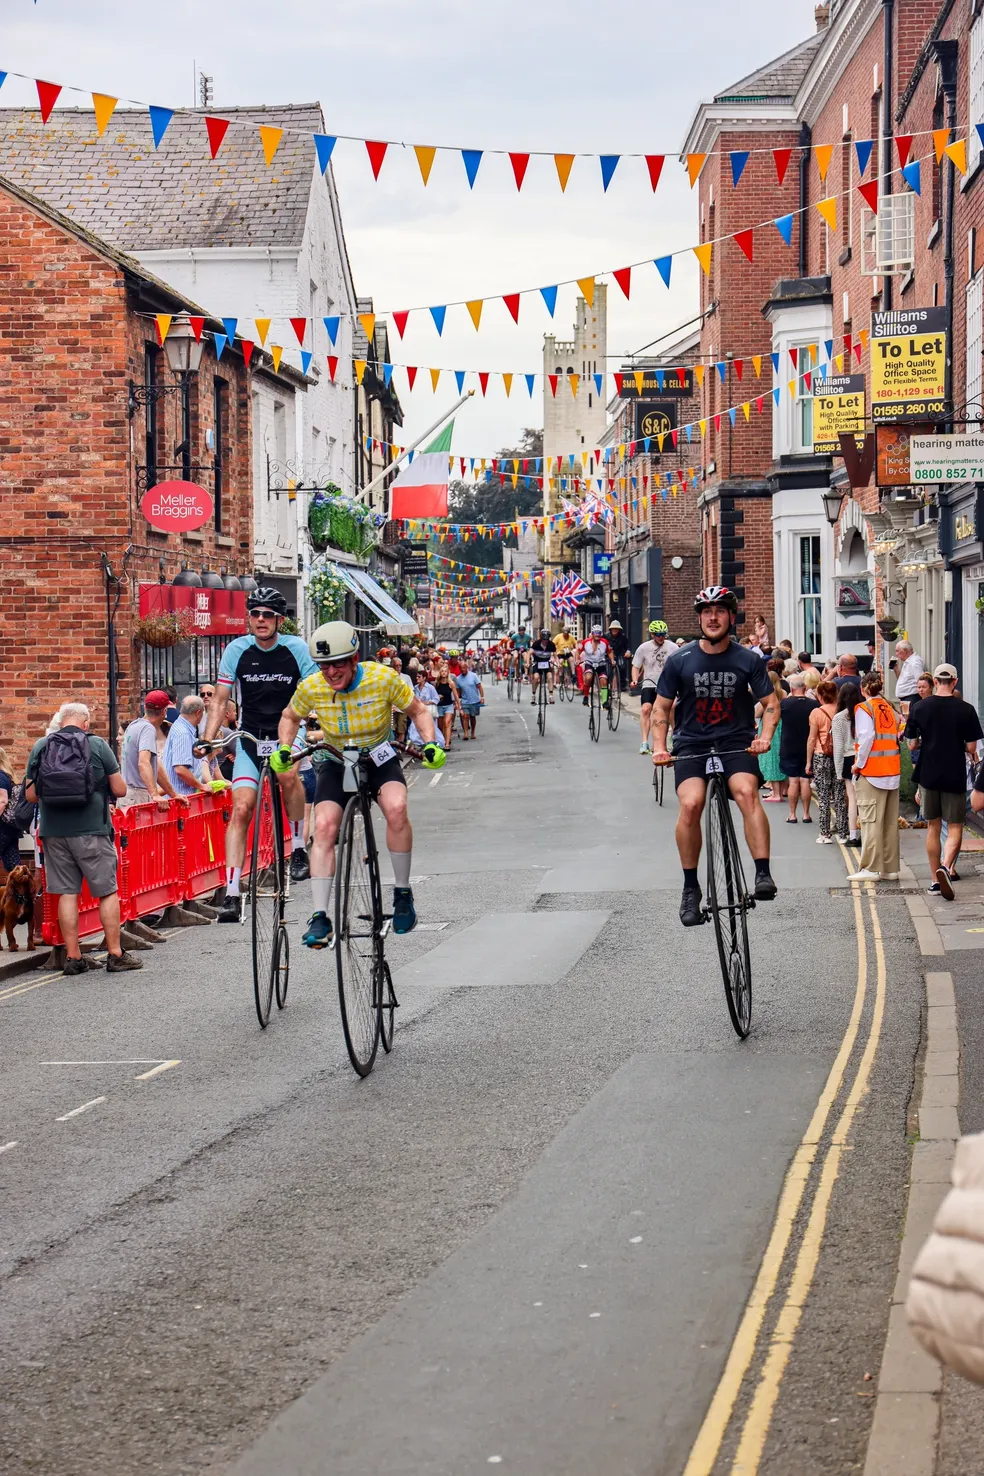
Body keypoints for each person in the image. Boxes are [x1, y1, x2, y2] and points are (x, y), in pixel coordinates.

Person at [272, 620, 443, 946]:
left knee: (396, 807)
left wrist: (430, 742)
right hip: (337, 760)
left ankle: (403, 894)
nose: (331, 672)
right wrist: (284, 748)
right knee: (322, 826)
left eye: (337, 664)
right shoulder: (312, 687)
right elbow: (289, 717)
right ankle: (320, 916)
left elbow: (419, 711)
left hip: (379, 756)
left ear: (353, 660)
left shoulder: (382, 678)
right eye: (324, 666)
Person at [652, 586, 779, 927]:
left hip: (735, 742)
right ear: (699, 618)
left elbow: (771, 705)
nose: (712, 617)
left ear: (730, 616)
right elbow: (661, 709)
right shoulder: (680, 660)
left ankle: (762, 873)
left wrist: (765, 737)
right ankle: (691, 887)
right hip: (692, 744)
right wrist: (660, 746)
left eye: (719, 610)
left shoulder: (748, 659)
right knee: (692, 804)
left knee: (747, 792)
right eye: (706, 611)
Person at [199, 587, 318, 923]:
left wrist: (313, 719)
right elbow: (221, 700)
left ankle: (296, 847)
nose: (261, 620)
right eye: (255, 614)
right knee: (240, 808)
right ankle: (233, 893)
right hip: (251, 737)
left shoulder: (296, 649)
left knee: (286, 774)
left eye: (268, 615)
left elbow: (312, 691)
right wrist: (209, 739)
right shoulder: (236, 650)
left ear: (279, 620)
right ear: (249, 618)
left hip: (286, 733)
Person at [24, 701, 142, 974]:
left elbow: (31, 795)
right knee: (106, 891)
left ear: (61, 721)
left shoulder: (42, 746)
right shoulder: (97, 745)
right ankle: (115, 953)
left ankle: (73, 958)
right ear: (85, 723)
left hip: (53, 832)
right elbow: (120, 789)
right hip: (92, 831)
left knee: (66, 893)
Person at [905, 663, 983, 899]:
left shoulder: (919, 707)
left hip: (928, 774)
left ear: (935, 681)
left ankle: (934, 880)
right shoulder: (966, 709)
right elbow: (971, 747)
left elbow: (911, 743)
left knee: (933, 827)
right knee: (956, 826)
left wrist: (923, 741)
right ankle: (946, 867)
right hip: (954, 773)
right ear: (955, 681)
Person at [851, 671, 902, 882]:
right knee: (889, 823)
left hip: (872, 772)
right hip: (891, 771)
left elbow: (867, 738)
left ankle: (870, 868)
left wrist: (857, 765)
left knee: (870, 820)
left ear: (863, 690)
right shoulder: (890, 709)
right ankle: (889, 868)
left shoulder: (864, 708)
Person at [119, 690, 184, 809]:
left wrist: (172, 794)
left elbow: (155, 766)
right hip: (137, 796)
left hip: (128, 795)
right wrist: (155, 794)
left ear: (145, 707)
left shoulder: (134, 725)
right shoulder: (148, 729)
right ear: (164, 711)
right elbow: (143, 763)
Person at [806, 678, 846, 842]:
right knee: (840, 796)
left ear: (821, 695)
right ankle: (843, 833)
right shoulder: (842, 711)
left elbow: (811, 739)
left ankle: (825, 833)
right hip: (840, 755)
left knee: (823, 796)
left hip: (821, 755)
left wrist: (808, 762)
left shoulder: (817, 713)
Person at [631, 620, 675, 754]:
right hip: (649, 683)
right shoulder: (643, 648)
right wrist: (634, 680)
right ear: (652, 635)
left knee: (673, 708)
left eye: (663, 634)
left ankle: (674, 737)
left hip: (667, 684)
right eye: (658, 634)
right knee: (646, 709)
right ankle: (644, 743)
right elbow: (636, 666)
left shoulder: (673, 647)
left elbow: (680, 664)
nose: (661, 637)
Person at [779, 674, 815, 823]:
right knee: (805, 781)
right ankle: (806, 814)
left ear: (792, 689)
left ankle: (792, 814)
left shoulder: (784, 704)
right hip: (808, 746)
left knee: (793, 781)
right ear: (805, 688)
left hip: (789, 745)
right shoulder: (814, 704)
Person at [163, 696, 213, 798]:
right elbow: (180, 769)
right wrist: (201, 786)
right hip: (179, 801)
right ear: (198, 713)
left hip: (178, 798)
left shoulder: (180, 727)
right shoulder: (183, 733)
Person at [832, 682, 863, 847]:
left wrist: (838, 771)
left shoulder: (838, 718)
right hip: (863, 757)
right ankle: (866, 834)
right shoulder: (863, 713)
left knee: (852, 799)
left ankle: (852, 835)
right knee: (864, 798)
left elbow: (838, 747)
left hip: (847, 758)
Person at [756, 661, 786, 801]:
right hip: (781, 724)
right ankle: (782, 790)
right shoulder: (783, 693)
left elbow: (757, 713)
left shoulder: (768, 697)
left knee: (770, 757)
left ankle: (776, 793)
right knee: (779, 755)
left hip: (769, 724)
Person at [0, 747, 23, 875]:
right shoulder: (7, 776)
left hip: (2, 826)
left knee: (13, 865)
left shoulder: (0, 777)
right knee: (13, 865)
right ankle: (22, 893)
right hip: (10, 827)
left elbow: (2, 801)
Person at [579, 625, 611, 709]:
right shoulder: (585, 642)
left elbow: (610, 651)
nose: (597, 635)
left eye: (599, 633)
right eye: (596, 633)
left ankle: (604, 702)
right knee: (588, 678)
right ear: (592, 634)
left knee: (604, 681)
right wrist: (577, 660)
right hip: (589, 663)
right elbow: (578, 651)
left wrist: (612, 660)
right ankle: (586, 696)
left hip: (601, 663)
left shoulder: (605, 642)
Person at [893, 639, 926, 712]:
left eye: (897, 651)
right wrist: (896, 669)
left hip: (912, 698)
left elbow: (921, 680)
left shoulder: (915, 662)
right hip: (905, 699)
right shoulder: (907, 662)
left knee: (910, 721)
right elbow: (902, 680)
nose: (896, 654)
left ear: (904, 651)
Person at [433, 661, 460, 750]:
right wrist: (437, 697)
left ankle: (447, 744)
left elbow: (456, 695)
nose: (444, 673)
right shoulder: (436, 683)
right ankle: (442, 741)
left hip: (448, 705)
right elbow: (433, 694)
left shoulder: (451, 683)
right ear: (440, 673)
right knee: (441, 726)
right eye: (442, 671)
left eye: (445, 671)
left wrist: (458, 706)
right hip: (439, 706)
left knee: (447, 723)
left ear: (448, 673)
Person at [456, 658, 485, 740]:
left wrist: (482, 697)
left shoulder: (473, 676)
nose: (462, 670)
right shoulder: (458, 679)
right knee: (465, 716)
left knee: (473, 717)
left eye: (464, 668)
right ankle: (465, 733)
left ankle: (472, 732)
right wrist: (458, 702)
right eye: (461, 668)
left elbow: (479, 687)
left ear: (467, 668)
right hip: (465, 701)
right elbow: (458, 692)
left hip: (474, 700)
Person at [529, 629, 556, 706]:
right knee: (536, 677)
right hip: (537, 662)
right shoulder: (536, 644)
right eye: (544, 640)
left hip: (546, 663)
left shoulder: (551, 644)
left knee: (550, 677)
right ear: (541, 638)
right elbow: (529, 653)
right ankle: (533, 695)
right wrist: (527, 663)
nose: (545, 641)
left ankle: (551, 696)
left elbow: (555, 655)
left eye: (547, 640)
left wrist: (556, 662)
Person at [607, 619, 630, 686]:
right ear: (610, 629)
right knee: (607, 670)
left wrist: (628, 652)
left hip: (619, 654)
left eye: (617, 629)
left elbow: (627, 646)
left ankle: (622, 684)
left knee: (621, 666)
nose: (615, 630)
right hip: (608, 656)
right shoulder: (606, 636)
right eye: (613, 628)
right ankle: (608, 684)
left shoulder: (622, 637)